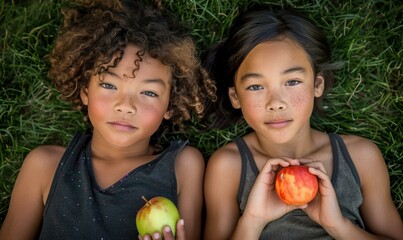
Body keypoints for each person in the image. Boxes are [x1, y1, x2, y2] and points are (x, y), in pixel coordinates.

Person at [0, 0, 216, 239]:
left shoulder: (183, 166)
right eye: (109, 85)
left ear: (170, 105)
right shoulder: (43, 166)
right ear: (85, 91)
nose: (126, 106)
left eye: (149, 93)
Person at [203, 5, 403, 240]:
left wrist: (338, 225)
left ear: (317, 85)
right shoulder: (228, 167)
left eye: (292, 82)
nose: (275, 103)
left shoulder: (361, 157)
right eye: (256, 86)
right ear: (235, 97)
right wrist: (254, 220)